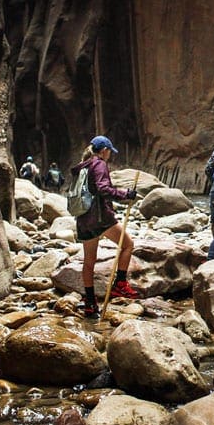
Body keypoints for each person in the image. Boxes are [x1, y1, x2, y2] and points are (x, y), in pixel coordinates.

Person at [69, 135, 140, 317]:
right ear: (104, 150)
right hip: (100, 218)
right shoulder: (98, 164)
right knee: (128, 245)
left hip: (83, 218)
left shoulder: (82, 166)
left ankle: (90, 304)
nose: (109, 155)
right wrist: (125, 194)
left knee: (89, 262)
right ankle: (120, 285)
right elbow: (102, 188)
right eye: (110, 152)